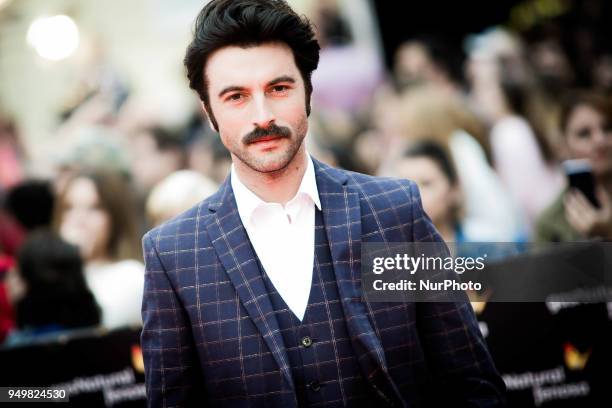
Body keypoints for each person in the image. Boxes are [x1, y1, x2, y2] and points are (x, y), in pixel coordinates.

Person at [141, 1, 505, 406]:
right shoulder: (173, 254)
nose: (262, 116)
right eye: (236, 97)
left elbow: (470, 380)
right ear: (209, 113)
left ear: (308, 92)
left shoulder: (394, 211)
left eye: (279, 88)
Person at [54, 169, 144, 329]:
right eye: (69, 208)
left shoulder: (131, 276)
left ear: (114, 218)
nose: (79, 219)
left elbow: (93, 328)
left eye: (94, 208)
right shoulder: (48, 277)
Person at [535, 91, 612, 242]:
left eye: (607, 128)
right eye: (584, 134)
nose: (600, 140)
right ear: (563, 146)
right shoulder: (550, 223)